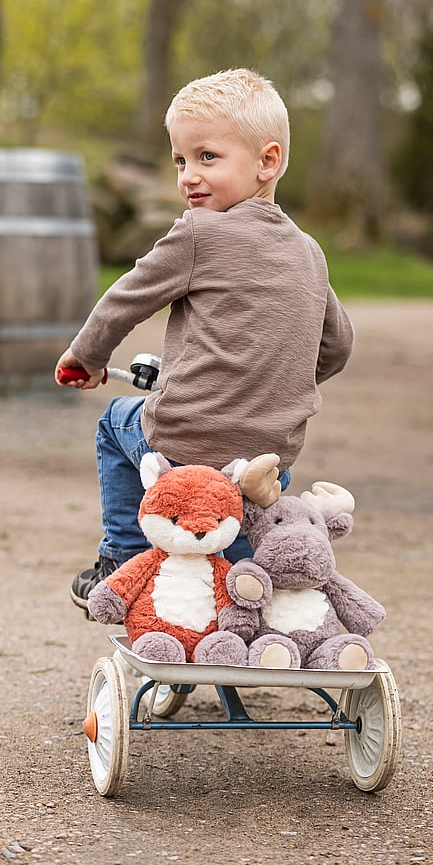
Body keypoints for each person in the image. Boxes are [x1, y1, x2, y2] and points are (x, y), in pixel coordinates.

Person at [55, 67, 354, 613]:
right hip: (269, 461)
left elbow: (125, 299)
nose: (189, 176)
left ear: (267, 161)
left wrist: (87, 356)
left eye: (207, 157)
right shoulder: (309, 251)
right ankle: (243, 596)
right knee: (238, 540)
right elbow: (337, 345)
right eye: (180, 160)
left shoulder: (198, 233)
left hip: (182, 444)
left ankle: (122, 559)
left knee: (115, 421)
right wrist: (270, 378)